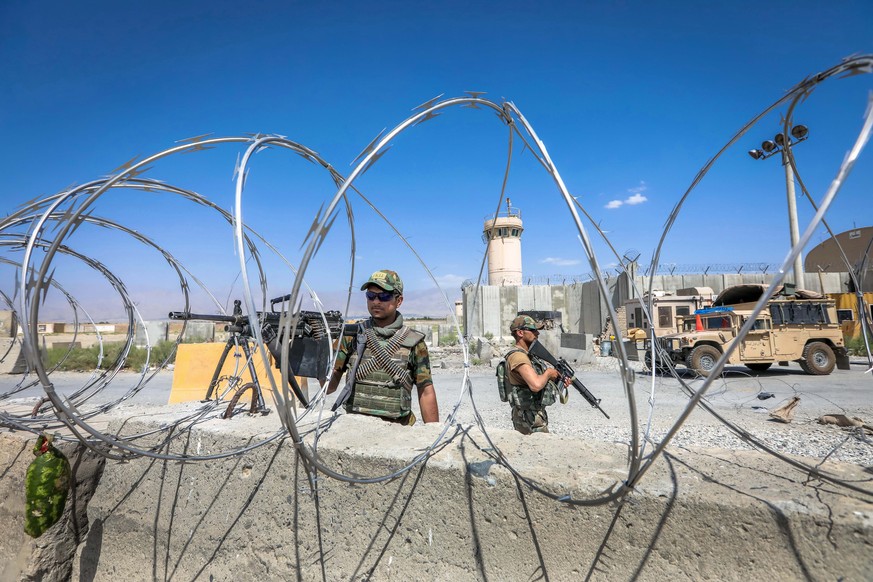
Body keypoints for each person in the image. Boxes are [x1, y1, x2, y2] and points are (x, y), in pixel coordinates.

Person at [327, 269, 439, 425]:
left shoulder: (414, 342)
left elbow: (426, 391)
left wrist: (433, 434)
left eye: (384, 296)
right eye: (370, 296)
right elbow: (328, 387)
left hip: (397, 429)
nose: (376, 302)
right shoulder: (351, 336)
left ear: (399, 300)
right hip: (354, 427)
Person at [504, 315, 566, 434]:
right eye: (533, 330)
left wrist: (558, 380)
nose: (537, 333)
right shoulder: (518, 357)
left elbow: (537, 381)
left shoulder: (527, 355)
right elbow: (536, 385)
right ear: (520, 333)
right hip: (528, 418)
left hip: (533, 415)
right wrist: (548, 373)